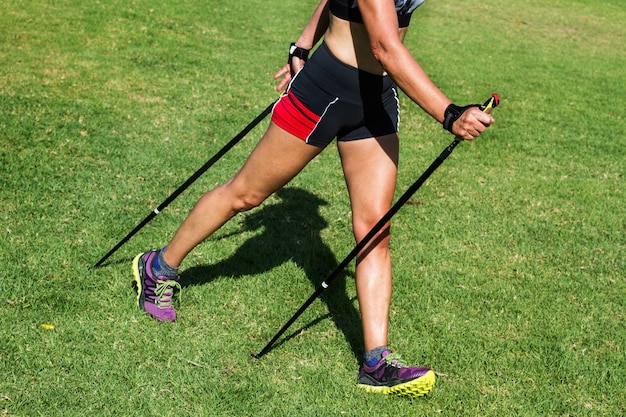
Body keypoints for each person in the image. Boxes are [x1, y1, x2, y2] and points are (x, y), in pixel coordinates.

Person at [132, 0, 494, 398]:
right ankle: (159, 266)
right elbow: (384, 47)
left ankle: (376, 361)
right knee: (245, 194)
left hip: (376, 98)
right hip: (324, 90)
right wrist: (449, 113)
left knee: (375, 227)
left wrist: (302, 45)